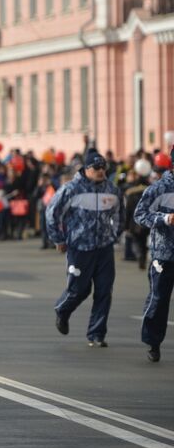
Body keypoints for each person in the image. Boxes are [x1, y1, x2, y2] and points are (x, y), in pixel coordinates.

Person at [46, 149, 124, 348]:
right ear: (86, 169)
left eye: (103, 167)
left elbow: (119, 215)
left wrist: (113, 235)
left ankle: (96, 334)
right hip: (79, 247)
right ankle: (63, 311)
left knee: (105, 291)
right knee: (79, 290)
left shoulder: (112, 190)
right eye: (96, 167)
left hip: (104, 248)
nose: (100, 171)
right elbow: (52, 213)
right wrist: (58, 239)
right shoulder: (71, 189)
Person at [132, 144, 174, 362]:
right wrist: (164, 219)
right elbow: (139, 215)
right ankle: (153, 342)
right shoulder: (159, 189)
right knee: (159, 299)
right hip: (164, 255)